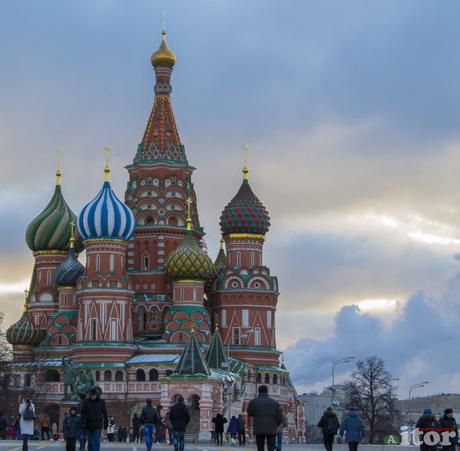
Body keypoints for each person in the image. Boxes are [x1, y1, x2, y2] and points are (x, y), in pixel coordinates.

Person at [247, 385, 283, 451]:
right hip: (272, 429)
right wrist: (275, 424)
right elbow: (279, 417)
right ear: (267, 391)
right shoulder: (275, 403)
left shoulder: (253, 402)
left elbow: (250, 413)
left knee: (260, 447)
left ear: (258, 391)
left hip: (259, 428)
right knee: (271, 447)